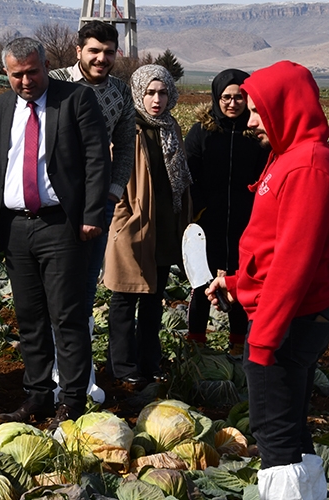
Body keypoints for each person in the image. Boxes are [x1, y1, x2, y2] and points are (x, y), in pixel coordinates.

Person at [205, 60, 329, 497]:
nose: (249, 120)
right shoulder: (290, 157)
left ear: (284, 106)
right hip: (281, 313)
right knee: (288, 424)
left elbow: (294, 262)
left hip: (286, 321)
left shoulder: (308, 166)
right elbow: (272, 251)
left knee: (273, 432)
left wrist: (263, 338)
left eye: (256, 110)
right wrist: (236, 284)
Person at [0, 37, 110, 428]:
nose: (25, 81)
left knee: (66, 317)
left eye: (32, 72)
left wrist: (91, 214)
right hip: (17, 227)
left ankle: (71, 402)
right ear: (7, 73)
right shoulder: (0, 107)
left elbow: (96, 160)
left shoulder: (75, 100)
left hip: (62, 225)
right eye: (16, 75)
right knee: (30, 316)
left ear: (46, 65)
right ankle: (37, 394)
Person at [103, 64, 190, 386]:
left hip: (165, 227)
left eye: (163, 92)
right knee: (124, 299)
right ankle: (121, 367)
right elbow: (114, 177)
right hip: (134, 227)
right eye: (150, 92)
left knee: (154, 300)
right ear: (138, 93)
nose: (157, 100)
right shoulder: (128, 127)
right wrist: (123, 217)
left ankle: (149, 362)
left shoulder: (171, 128)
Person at [49, 20, 136, 338]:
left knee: (86, 283)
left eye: (109, 52)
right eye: (94, 51)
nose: (102, 58)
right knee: (56, 283)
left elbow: (126, 146)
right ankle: (52, 364)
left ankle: (78, 364)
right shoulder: (54, 83)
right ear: (79, 51)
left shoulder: (121, 92)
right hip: (54, 202)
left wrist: (113, 192)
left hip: (99, 201)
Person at [183, 68, 267, 353]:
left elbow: (265, 173)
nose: (233, 103)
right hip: (208, 217)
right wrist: (200, 206)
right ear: (216, 98)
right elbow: (189, 173)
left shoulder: (256, 133)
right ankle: (196, 340)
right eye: (226, 97)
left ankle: (238, 343)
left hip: (247, 218)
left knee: (240, 278)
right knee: (202, 280)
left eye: (240, 97)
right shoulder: (202, 132)